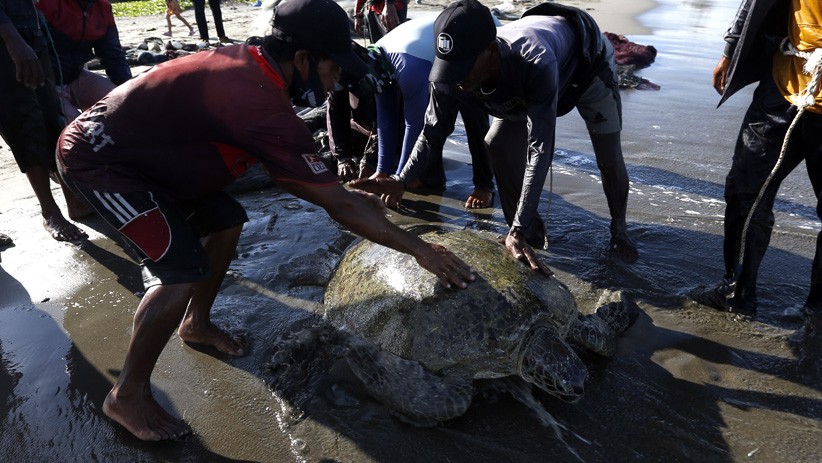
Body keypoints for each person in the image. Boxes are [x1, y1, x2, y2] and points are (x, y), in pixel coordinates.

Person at [57, 0, 475, 441]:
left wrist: (344, 195)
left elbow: (314, 185)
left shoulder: (257, 71)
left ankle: (196, 323)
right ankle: (127, 393)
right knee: (178, 272)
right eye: (334, 70)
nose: (336, 83)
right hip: (100, 161)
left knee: (226, 221)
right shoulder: (254, 97)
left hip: (152, 157)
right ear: (303, 60)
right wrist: (421, 249)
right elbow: (335, 204)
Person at [352, 0, 638, 273]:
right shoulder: (450, 75)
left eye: (462, 69)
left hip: (585, 65)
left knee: (608, 156)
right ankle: (528, 232)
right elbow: (432, 133)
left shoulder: (536, 61)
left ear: (490, 51)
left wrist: (517, 227)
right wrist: (400, 180)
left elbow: (540, 149)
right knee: (496, 143)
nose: (457, 79)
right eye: (449, 68)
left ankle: (619, 230)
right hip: (511, 85)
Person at [694, 0, 821, 367]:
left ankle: (818, 312)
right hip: (783, 89)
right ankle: (736, 292)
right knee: (745, 191)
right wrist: (731, 49)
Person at [369, 15, 495, 208]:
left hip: (475, 44)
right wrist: (382, 171)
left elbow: (415, 124)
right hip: (442, 58)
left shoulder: (407, 69)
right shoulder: (375, 63)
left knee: (474, 120)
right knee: (436, 124)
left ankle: (484, 186)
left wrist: (398, 178)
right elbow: (386, 122)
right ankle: (427, 176)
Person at [0, 0, 88, 242]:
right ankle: (49, 210)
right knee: (23, 122)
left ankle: (73, 197)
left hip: (30, 27)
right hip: (8, 38)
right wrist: (13, 40)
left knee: (51, 114)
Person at [36, 0, 132, 121]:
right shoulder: (45, 5)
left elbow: (113, 55)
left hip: (77, 75)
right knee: (78, 127)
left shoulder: (103, 8)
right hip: (46, 82)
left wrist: (131, 89)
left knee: (124, 104)